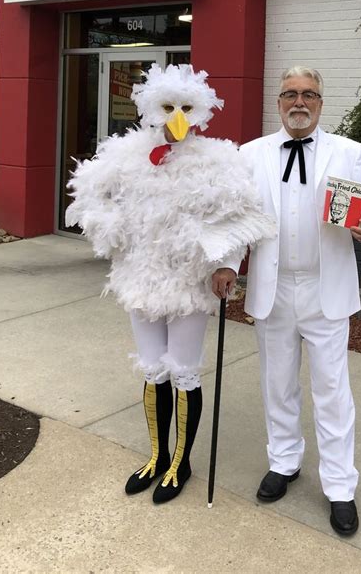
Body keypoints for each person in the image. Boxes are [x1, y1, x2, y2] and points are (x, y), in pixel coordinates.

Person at [66, 63, 275, 504]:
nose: (175, 115)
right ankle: (157, 456)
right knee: (152, 367)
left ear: (199, 111)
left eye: (184, 107)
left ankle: (181, 462)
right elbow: (89, 195)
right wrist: (109, 228)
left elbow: (238, 216)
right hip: (141, 278)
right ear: (149, 108)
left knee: (182, 371)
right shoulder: (125, 155)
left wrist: (226, 265)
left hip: (189, 283)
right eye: (167, 106)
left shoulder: (219, 159)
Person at [212, 66, 361, 536]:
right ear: (279, 102)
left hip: (325, 290)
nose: (299, 102)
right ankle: (284, 461)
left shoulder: (348, 151)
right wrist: (228, 263)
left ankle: (340, 486)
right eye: (290, 94)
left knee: (332, 391)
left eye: (309, 94)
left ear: (321, 103)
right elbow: (239, 217)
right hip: (274, 289)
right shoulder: (250, 154)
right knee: (277, 383)